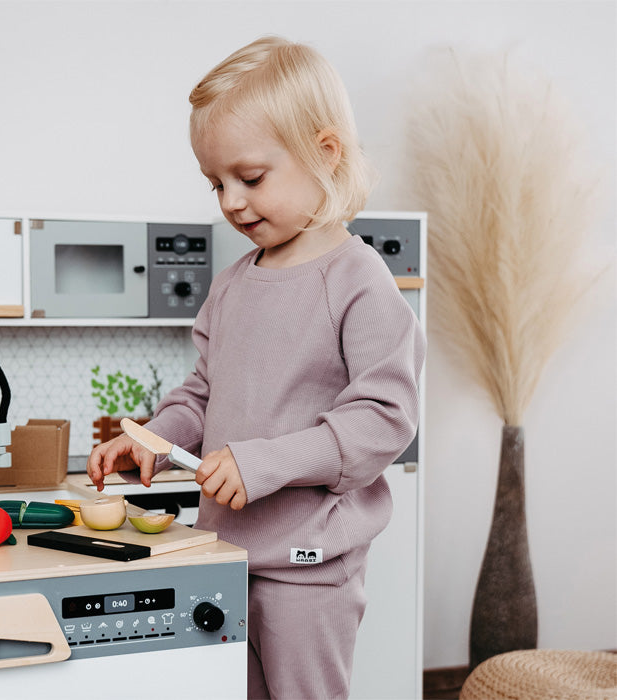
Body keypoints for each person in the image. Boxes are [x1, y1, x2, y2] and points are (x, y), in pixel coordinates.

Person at [87, 35, 426, 700]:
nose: (232, 203)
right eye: (216, 184)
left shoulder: (357, 280)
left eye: (250, 178)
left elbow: (382, 422)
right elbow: (203, 392)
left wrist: (262, 462)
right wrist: (154, 437)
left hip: (308, 564)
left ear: (324, 153)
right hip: (223, 553)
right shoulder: (235, 282)